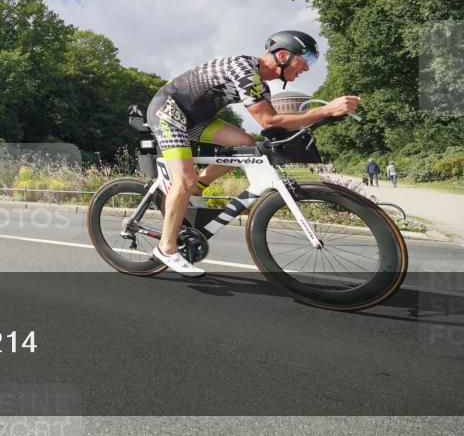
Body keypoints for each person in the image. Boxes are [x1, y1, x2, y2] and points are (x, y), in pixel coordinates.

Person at [146, 30, 359, 277]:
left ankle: (198, 187)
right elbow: (269, 121)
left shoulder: (260, 84)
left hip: (196, 120)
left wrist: (326, 118)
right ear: (282, 55)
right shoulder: (244, 68)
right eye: (306, 59)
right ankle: (167, 248)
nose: (307, 69)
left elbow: (278, 125)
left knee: (245, 143)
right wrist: (325, 111)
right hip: (167, 113)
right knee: (184, 179)